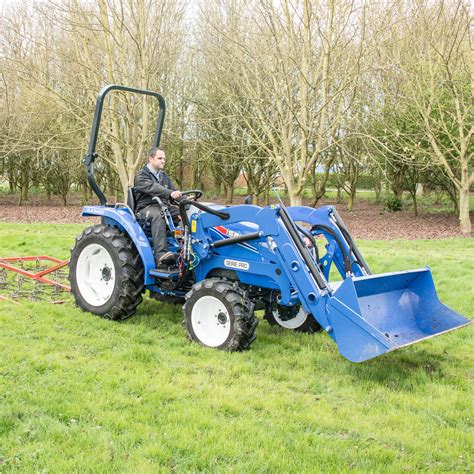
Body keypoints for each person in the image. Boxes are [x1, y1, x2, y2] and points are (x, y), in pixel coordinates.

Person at [134, 147, 182, 267]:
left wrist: (185, 200)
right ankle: (161, 256)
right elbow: (153, 188)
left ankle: (185, 249)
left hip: (164, 206)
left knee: (184, 213)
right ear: (151, 159)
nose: (163, 161)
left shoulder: (164, 176)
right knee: (159, 216)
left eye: (164, 158)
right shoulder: (141, 175)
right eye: (160, 158)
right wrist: (169, 193)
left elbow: (173, 191)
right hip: (146, 207)